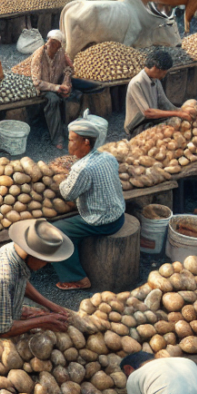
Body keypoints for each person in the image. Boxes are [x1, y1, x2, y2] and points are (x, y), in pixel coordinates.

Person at [0, 219, 71, 351]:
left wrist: (51, 305)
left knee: (39, 316)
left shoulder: (13, 250)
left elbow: (21, 280)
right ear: (31, 254)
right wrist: (45, 321)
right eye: (45, 261)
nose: (46, 265)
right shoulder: (2, 279)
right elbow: (1, 330)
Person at [51, 119, 125, 290]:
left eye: (71, 140)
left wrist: (63, 181)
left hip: (103, 222)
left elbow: (67, 194)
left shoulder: (82, 168)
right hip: (118, 215)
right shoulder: (108, 156)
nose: (68, 143)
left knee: (55, 231)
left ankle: (77, 278)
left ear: (85, 142)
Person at [125, 50, 195, 137]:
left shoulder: (155, 80)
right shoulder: (136, 83)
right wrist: (178, 114)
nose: (164, 76)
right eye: (164, 73)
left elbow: (164, 102)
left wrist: (181, 110)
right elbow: (148, 113)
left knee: (177, 124)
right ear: (155, 68)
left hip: (152, 120)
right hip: (138, 125)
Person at [30, 30, 77, 149]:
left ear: (59, 46)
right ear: (47, 42)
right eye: (51, 43)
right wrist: (56, 88)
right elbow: (36, 82)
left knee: (75, 95)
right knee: (53, 99)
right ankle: (57, 138)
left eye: (56, 45)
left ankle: (68, 129)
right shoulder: (38, 55)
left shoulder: (61, 53)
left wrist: (66, 82)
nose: (52, 46)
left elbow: (70, 69)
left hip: (58, 85)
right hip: (43, 88)